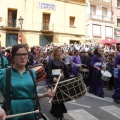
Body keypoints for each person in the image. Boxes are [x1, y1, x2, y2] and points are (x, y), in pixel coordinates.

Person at [0, 44, 55, 120]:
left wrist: (45, 95)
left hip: (31, 111)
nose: (22, 57)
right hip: (12, 112)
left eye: (25, 54)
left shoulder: (32, 73)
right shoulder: (4, 73)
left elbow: (33, 94)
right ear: (13, 57)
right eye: (19, 54)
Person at [47, 47, 70, 120]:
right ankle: (61, 116)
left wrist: (69, 76)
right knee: (58, 98)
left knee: (58, 98)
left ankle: (53, 111)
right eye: (58, 51)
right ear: (55, 52)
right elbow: (48, 71)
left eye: (61, 51)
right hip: (54, 82)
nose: (60, 52)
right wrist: (53, 78)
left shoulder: (62, 61)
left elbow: (65, 71)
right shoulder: (51, 61)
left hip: (61, 81)